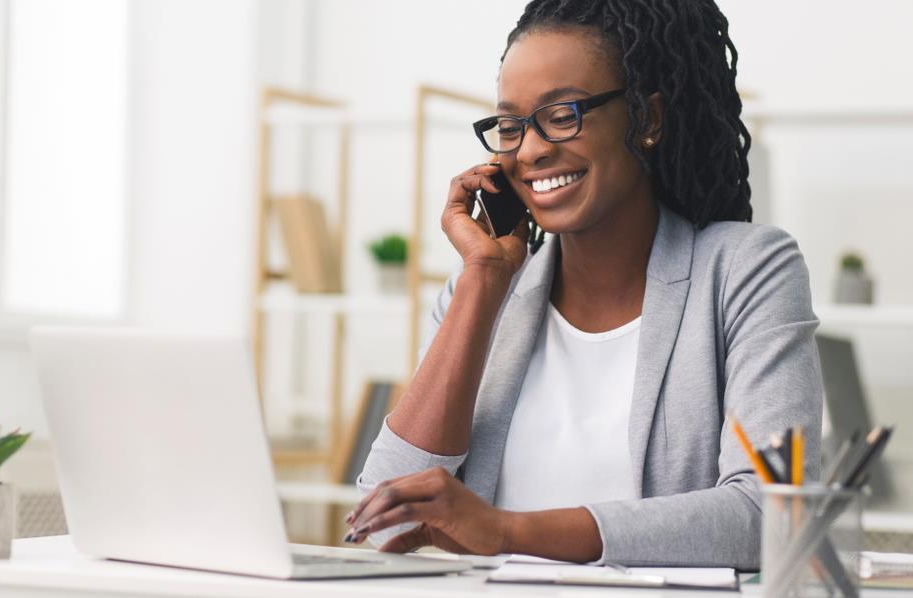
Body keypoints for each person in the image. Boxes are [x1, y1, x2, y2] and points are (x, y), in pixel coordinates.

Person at [346, 0, 821, 569]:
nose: (531, 149)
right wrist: (484, 279)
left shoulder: (745, 270)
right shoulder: (482, 293)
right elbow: (386, 520)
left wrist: (504, 531)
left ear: (647, 120)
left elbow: (770, 513)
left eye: (563, 113)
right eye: (509, 125)